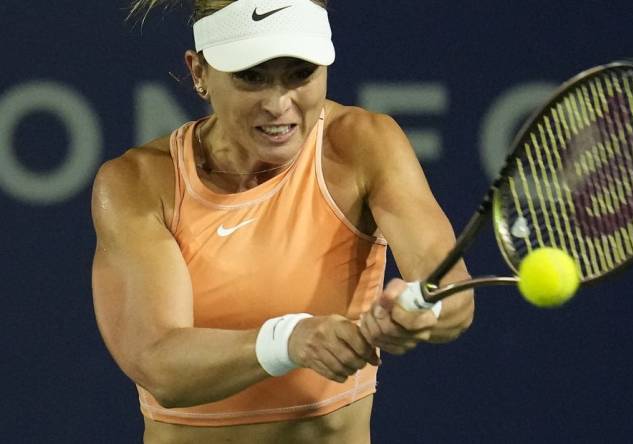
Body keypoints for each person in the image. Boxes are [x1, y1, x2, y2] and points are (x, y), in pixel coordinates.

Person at [91, 0, 474, 442]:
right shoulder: (136, 183)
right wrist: (289, 339)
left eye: (300, 74)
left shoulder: (366, 145)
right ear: (199, 73)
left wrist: (421, 308)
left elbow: (451, 289)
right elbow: (159, 363)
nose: (278, 103)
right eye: (251, 77)